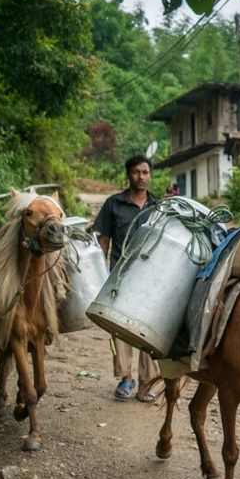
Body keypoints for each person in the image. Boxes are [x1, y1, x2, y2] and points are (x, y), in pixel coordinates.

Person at [92, 154, 161, 402]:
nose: (141, 177)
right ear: (128, 174)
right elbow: (103, 241)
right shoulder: (113, 204)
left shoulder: (159, 207)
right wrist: (101, 274)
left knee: (148, 329)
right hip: (120, 276)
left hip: (151, 279)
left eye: (145, 172)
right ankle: (126, 378)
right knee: (120, 328)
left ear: (150, 175)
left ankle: (146, 382)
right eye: (136, 172)